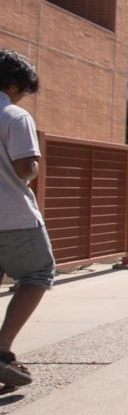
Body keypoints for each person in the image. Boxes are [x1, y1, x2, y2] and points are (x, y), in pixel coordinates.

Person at [0, 50, 54, 391]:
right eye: (24, 90)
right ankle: (2, 350)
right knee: (38, 273)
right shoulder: (15, 117)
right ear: (14, 84)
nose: (23, 97)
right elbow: (24, 168)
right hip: (12, 215)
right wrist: (34, 165)